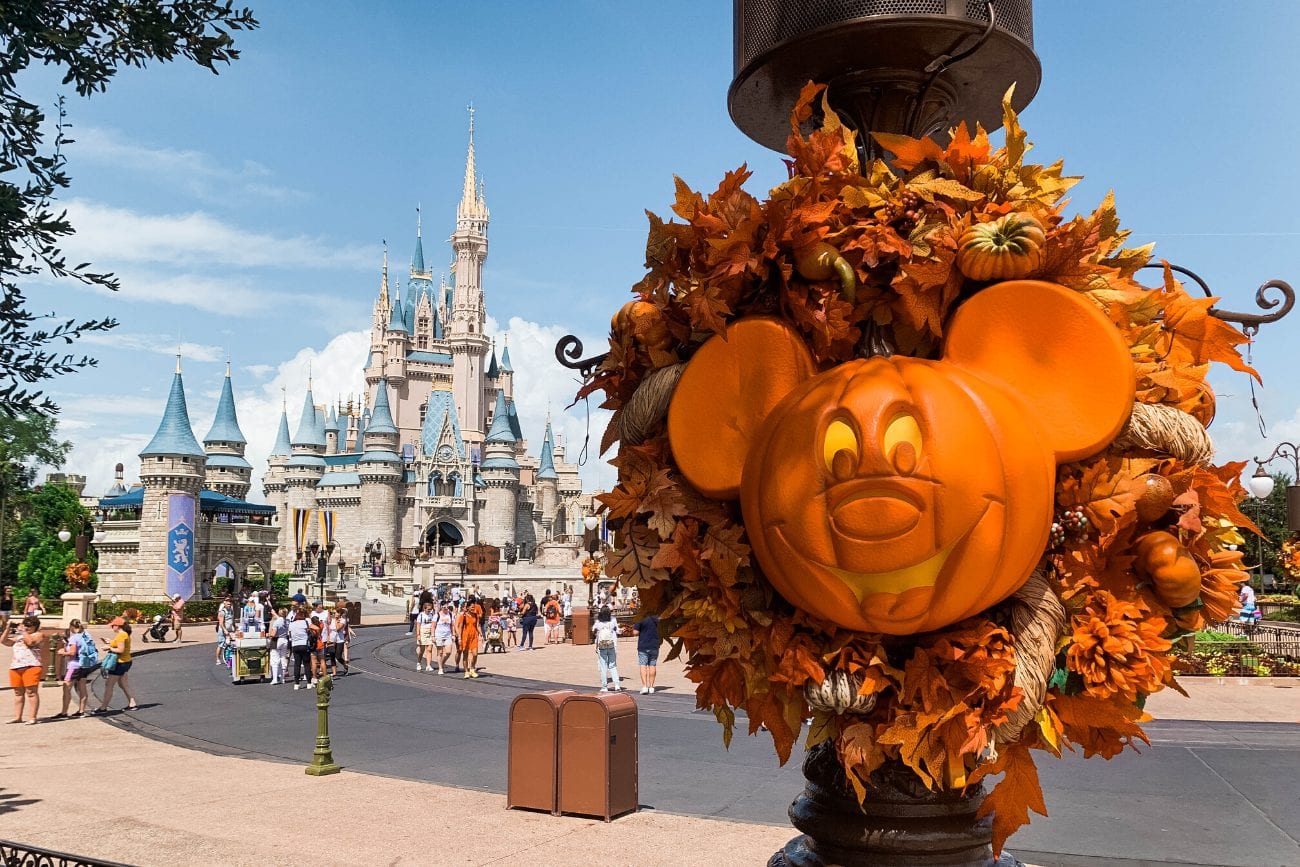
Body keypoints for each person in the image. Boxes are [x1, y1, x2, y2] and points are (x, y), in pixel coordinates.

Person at [4, 615, 45, 723]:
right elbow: (4, 641)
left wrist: (23, 631)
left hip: (31, 666)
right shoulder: (19, 636)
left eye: (29, 626)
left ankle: (32, 717)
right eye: (25, 625)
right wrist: (8, 628)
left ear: (35, 626)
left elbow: (31, 643)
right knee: (18, 693)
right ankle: (18, 716)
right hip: (16, 666)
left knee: (31, 692)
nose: (26, 627)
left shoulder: (38, 634)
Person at [92, 618, 138, 714]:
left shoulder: (121, 635)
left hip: (120, 663)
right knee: (123, 683)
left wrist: (109, 647)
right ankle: (132, 703)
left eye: (113, 625)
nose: (112, 627)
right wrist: (110, 642)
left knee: (109, 684)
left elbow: (120, 650)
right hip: (126, 661)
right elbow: (120, 645)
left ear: (117, 626)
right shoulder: (124, 634)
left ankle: (103, 707)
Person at [55, 619, 98, 717]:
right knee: (82, 687)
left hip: (74, 666)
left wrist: (63, 652)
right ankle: (81, 710)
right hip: (85, 664)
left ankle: (64, 712)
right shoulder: (87, 635)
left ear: (71, 627)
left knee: (66, 688)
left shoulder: (74, 638)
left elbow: (72, 652)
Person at [592, 606, 621, 692]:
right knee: (612, 665)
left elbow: (593, 630)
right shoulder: (613, 620)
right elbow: (617, 630)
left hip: (602, 646)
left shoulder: (598, 622)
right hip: (611, 645)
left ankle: (604, 686)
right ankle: (617, 685)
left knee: (603, 666)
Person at [632, 612, 660, 695]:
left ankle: (645, 686)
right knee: (653, 665)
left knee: (643, 665)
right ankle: (651, 687)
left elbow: (635, 632)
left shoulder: (640, 619)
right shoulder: (656, 618)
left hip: (643, 645)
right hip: (654, 645)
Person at [454, 601, 481, 678]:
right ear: (468, 607)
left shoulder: (476, 615)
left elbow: (477, 625)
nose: (473, 609)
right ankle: (466, 671)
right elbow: (460, 627)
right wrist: (459, 637)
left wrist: (482, 635)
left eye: (474, 607)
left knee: (475, 654)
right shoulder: (463, 616)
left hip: (474, 636)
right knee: (465, 654)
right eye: (472, 607)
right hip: (465, 637)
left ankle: (472, 668)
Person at [287, 608, 312, 689]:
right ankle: (309, 683)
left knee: (297, 664)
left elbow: (290, 635)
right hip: (304, 644)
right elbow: (308, 632)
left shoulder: (291, 624)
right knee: (306, 664)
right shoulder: (305, 622)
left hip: (295, 645)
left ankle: (296, 684)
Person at [268, 607, 289, 685]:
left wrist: (268, 634)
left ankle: (275, 678)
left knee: (274, 659)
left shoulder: (276, 622)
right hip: (285, 639)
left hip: (277, 640)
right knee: (283, 658)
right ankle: (283, 678)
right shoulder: (287, 621)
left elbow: (273, 634)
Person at [433, 602, 455, 674]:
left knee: (448, 652)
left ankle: (442, 663)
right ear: (441, 607)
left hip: (448, 635)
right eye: (444, 607)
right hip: (439, 635)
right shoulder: (437, 615)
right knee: (440, 652)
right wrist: (433, 636)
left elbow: (452, 625)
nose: (446, 608)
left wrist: (453, 634)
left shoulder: (450, 614)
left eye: (447, 607)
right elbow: (433, 626)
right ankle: (440, 668)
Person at [414, 601, 436, 671]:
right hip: (423, 632)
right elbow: (418, 625)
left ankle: (428, 665)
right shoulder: (421, 615)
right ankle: (419, 662)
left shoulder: (432, 615)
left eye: (430, 609)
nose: (429, 610)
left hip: (429, 632)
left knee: (429, 649)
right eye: (428, 609)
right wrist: (418, 634)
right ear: (424, 608)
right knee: (422, 650)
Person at [215, 596, 234, 664]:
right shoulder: (222, 612)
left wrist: (235, 627)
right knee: (221, 644)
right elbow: (221, 623)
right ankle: (218, 659)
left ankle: (228, 658)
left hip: (229, 630)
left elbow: (232, 620)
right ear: (224, 603)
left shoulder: (231, 610)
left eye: (230, 602)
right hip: (223, 630)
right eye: (227, 602)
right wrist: (225, 630)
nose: (229, 603)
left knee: (230, 643)